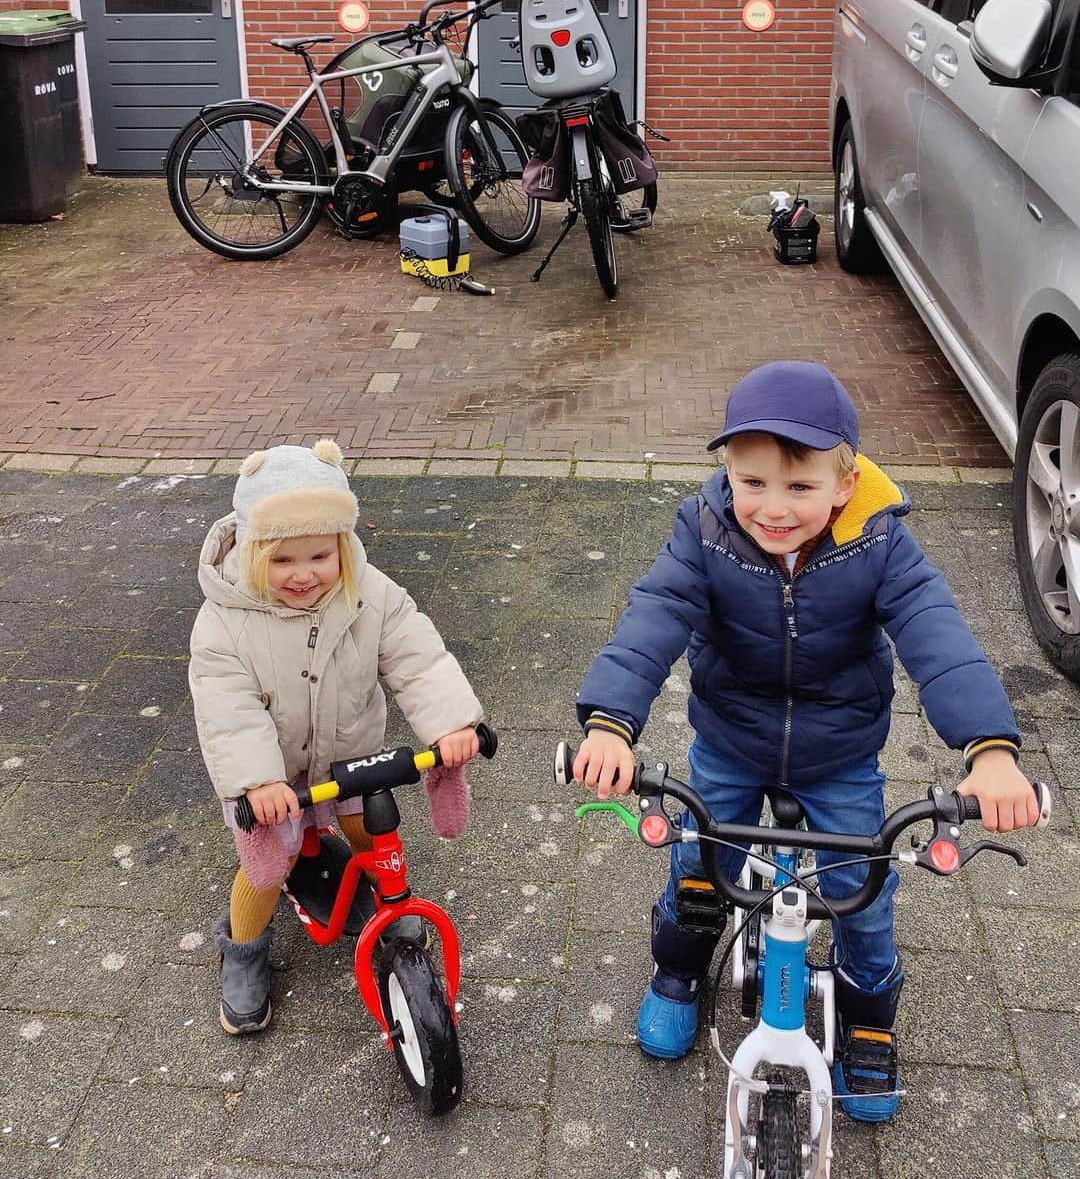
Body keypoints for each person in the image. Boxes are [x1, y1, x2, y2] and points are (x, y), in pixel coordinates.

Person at [572, 361, 1039, 1120]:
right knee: (697, 861)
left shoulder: (878, 544)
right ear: (727, 473)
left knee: (865, 891)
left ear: (844, 484)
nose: (773, 509)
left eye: (799, 488)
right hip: (731, 737)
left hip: (839, 751)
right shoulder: (706, 531)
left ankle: (868, 1025)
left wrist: (990, 751)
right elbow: (653, 615)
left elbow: (937, 636)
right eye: (752, 483)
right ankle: (679, 973)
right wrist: (610, 723)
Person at [189, 439, 482, 1035]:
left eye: (320, 555)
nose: (303, 576)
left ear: (343, 547)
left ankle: (392, 906)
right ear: (249, 555)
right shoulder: (223, 622)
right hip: (276, 776)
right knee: (271, 864)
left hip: (348, 753)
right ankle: (243, 950)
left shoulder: (369, 593)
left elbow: (417, 657)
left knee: (370, 823)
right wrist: (257, 781)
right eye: (281, 562)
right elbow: (228, 708)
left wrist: (450, 723)